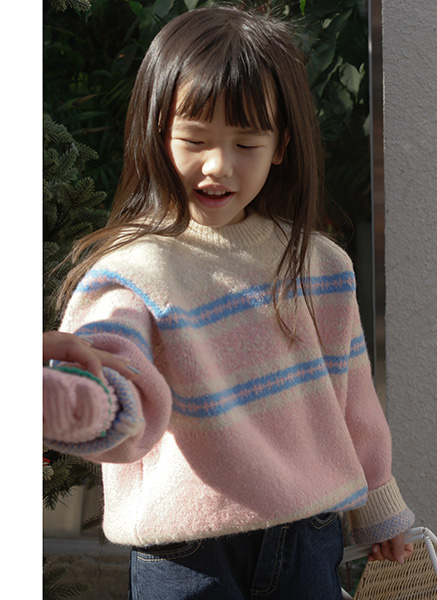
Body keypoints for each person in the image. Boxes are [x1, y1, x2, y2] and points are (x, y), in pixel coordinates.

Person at [42, 6, 414, 599]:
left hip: (309, 537)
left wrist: (380, 507)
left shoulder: (320, 265)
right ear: (156, 134)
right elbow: (119, 390)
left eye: (246, 142)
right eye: (194, 139)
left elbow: (354, 403)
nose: (218, 165)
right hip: (188, 557)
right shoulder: (132, 272)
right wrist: (70, 402)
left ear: (281, 146)